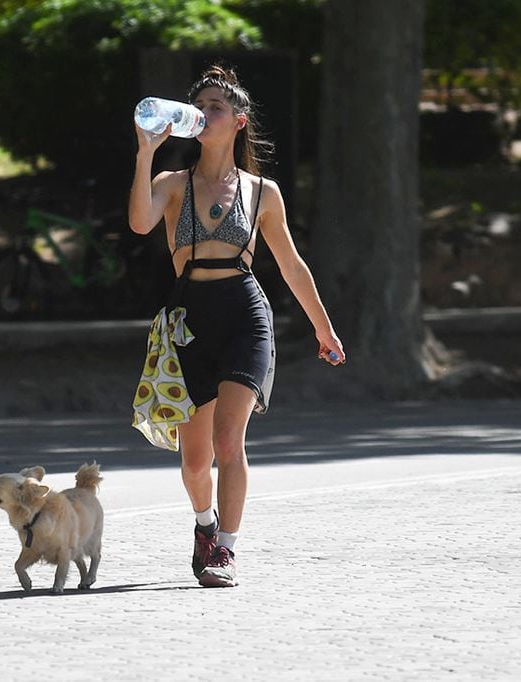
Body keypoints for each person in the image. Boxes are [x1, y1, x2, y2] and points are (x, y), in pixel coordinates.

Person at [128, 65, 345, 588]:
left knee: (230, 442)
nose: (205, 114)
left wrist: (324, 328)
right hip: (189, 318)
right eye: (199, 106)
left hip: (245, 313)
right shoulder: (171, 183)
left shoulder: (262, 191)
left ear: (239, 121)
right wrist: (144, 153)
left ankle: (225, 550)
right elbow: (139, 222)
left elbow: (292, 264)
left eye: (216, 107)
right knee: (195, 460)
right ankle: (205, 526)